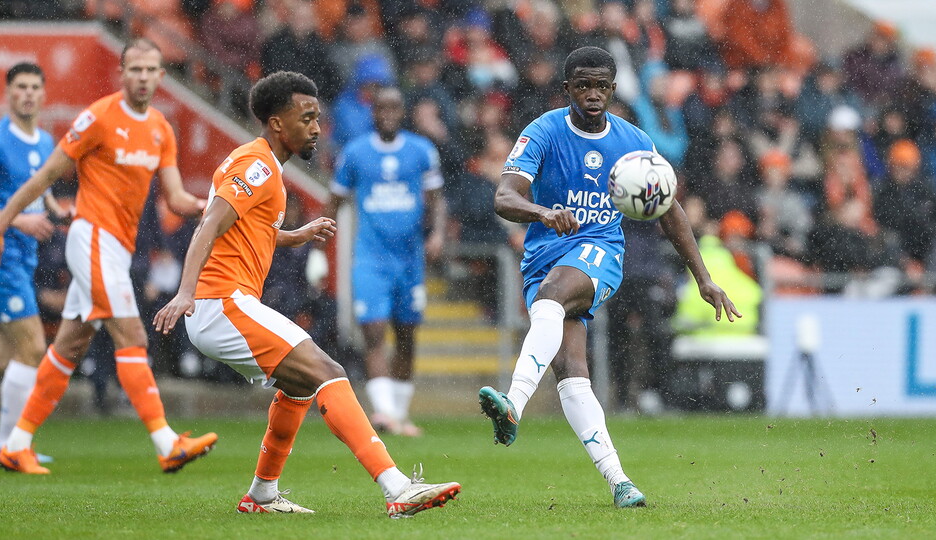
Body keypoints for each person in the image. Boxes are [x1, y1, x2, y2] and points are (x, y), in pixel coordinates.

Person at [152, 71, 460, 516]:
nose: (317, 127)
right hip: (220, 303)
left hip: (225, 304)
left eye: (318, 117)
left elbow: (250, 229)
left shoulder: (266, 169)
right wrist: (185, 292)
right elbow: (209, 225)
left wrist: (295, 235)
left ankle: (261, 494)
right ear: (278, 123)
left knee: (298, 388)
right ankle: (396, 488)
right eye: (307, 117)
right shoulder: (256, 166)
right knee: (328, 369)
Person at [477, 46, 740, 508]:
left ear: (614, 90)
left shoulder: (635, 142)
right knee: (572, 373)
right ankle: (621, 482)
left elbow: (670, 210)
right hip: (544, 254)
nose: (593, 94)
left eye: (601, 86)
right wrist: (542, 210)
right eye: (583, 85)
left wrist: (703, 278)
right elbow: (504, 196)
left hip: (601, 251)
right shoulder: (543, 132)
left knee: (552, 299)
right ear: (567, 89)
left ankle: (513, 403)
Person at [0, 39, 216, 474]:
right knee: (132, 336)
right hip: (91, 239)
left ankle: (16, 443)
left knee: (68, 347)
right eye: (135, 69)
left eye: (151, 70)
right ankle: (167, 442)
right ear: (122, 72)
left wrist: (211, 205)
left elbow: (176, 196)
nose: (143, 77)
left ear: (161, 76)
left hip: (117, 249)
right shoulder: (98, 117)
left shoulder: (161, 129)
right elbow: (46, 177)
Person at [324, 87, 447, 436]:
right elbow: (333, 202)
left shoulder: (421, 151)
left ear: (402, 111)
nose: (388, 114)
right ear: (373, 113)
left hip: (410, 259)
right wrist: (319, 249)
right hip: (370, 258)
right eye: (382, 109)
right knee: (374, 331)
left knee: (407, 334)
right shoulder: (355, 153)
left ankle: (400, 415)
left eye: (394, 108)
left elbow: (437, 199)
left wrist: (436, 233)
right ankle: (384, 413)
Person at [0, 63, 57, 462]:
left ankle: (8, 444)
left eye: (34, 86)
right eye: (20, 87)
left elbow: (37, 189)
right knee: (33, 348)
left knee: (4, 359)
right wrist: (19, 219)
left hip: (24, 259)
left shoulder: (45, 141)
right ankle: (8, 446)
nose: (28, 93)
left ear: (43, 93)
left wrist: (53, 209)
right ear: (9, 92)